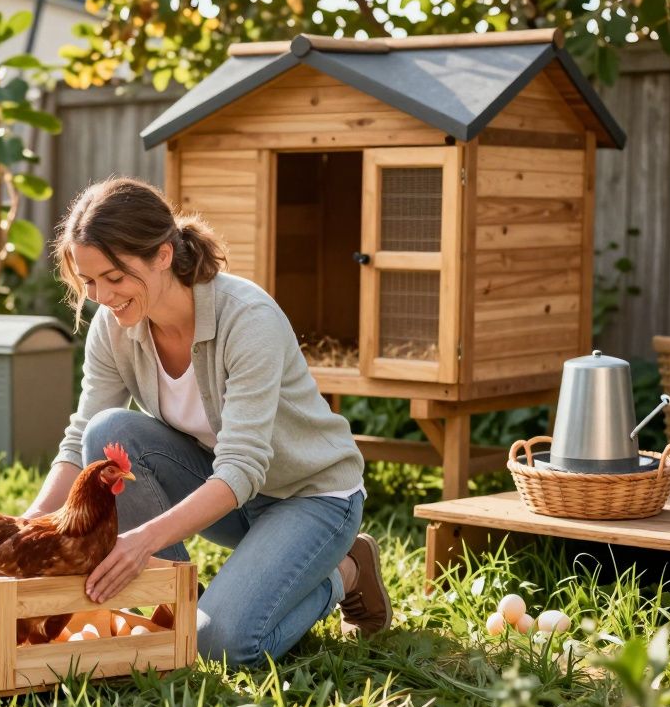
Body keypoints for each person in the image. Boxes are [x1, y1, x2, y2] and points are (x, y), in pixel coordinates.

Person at [21, 177, 392, 666]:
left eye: (114, 278)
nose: (102, 297)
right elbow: (79, 440)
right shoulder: (115, 328)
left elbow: (242, 467)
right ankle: (172, 605)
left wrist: (142, 541)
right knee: (107, 432)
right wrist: (26, 528)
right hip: (229, 500)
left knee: (220, 647)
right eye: (89, 282)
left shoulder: (247, 319)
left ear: (162, 255)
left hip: (310, 498)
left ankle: (342, 573)